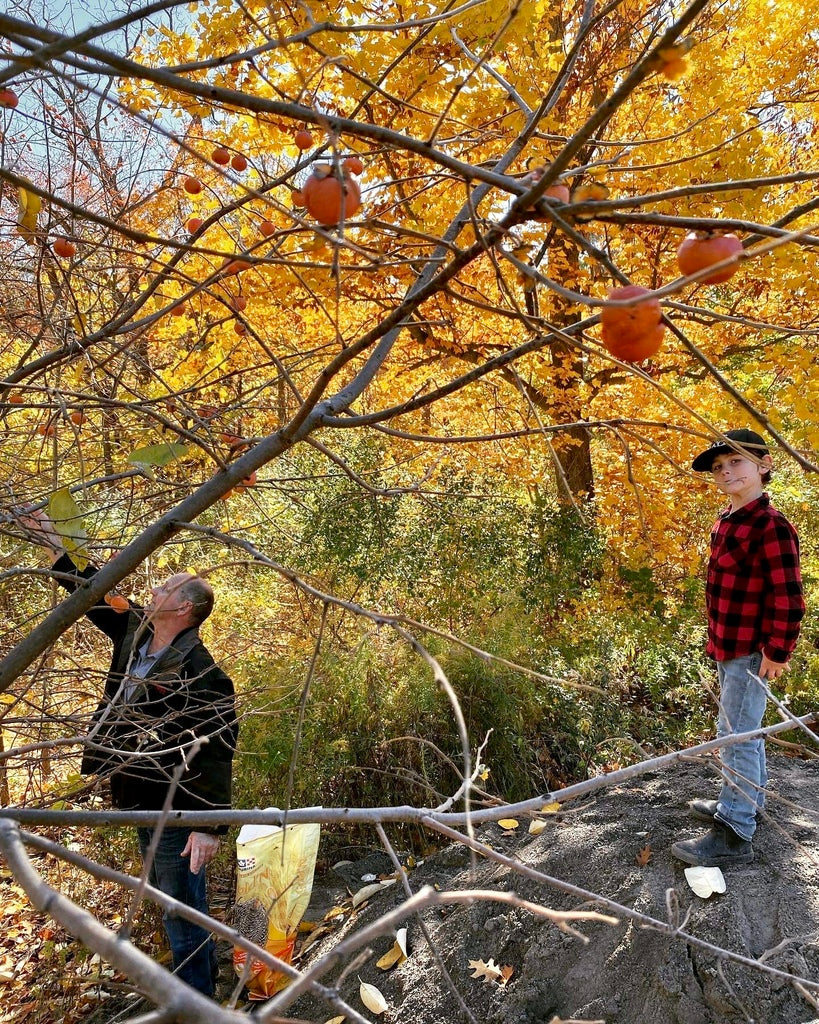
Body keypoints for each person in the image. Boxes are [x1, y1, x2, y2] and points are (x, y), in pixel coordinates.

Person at [21, 508, 238, 997]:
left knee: (180, 906)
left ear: (184, 608)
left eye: (164, 589)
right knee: (168, 901)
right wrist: (53, 543)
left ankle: (196, 1003)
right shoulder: (135, 631)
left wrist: (207, 826)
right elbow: (92, 591)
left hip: (175, 807)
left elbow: (217, 750)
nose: (153, 592)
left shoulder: (202, 672)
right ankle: (193, 992)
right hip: (136, 793)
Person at [671, 429, 804, 868]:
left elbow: (788, 597)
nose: (727, 471)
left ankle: (735, 831)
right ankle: (746, 802)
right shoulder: (728, 519)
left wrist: (777, 651)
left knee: (737, 736)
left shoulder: (771, 526)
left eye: (737, 462)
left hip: (752, 651)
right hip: (728, 645)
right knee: (742, 730)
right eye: (718, 467)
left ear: (763, 466)